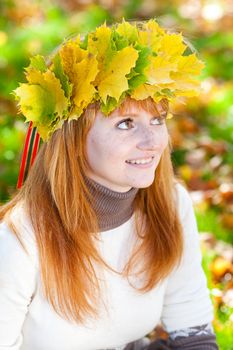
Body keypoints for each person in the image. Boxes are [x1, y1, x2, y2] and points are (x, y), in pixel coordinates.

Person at [0, 19, 218, 350]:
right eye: (125, 123)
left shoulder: (170, 204)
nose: (151, 141)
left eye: (157, 119)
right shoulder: (23, 236)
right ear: (74, 139)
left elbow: (192, 328)